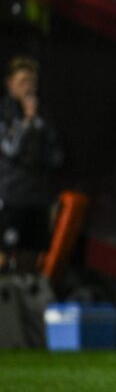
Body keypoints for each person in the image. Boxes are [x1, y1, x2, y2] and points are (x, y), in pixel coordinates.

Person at [0, 56, 63, 272]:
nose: (28, 87)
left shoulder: (43, 114)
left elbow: (55, 155)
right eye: (23, 81)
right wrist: (26, 123)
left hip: (36, 198)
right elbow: (10, 149)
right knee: (4, 253)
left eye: (32, 82)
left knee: (30, 256)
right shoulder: (4, 113)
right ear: (10, 83)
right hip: (9, 196)